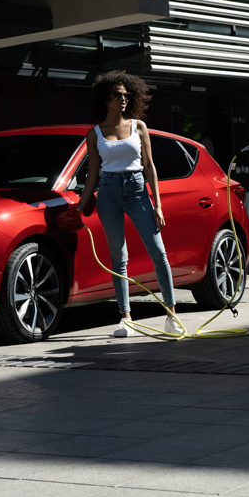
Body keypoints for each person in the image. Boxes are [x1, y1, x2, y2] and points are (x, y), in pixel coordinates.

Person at [77, 71, 181, 338]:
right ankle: (126, 318)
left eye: (126, 95)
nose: (123, 99)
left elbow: (149, 166)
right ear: (105, 98)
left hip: (137, 191)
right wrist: (80, 206)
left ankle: (171, 315)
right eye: (117, 95)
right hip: (108, 194)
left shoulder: (139, 126)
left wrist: (157, 204)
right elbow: (93, 174)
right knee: (118, 258)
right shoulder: (95, 133)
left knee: (158, 253)